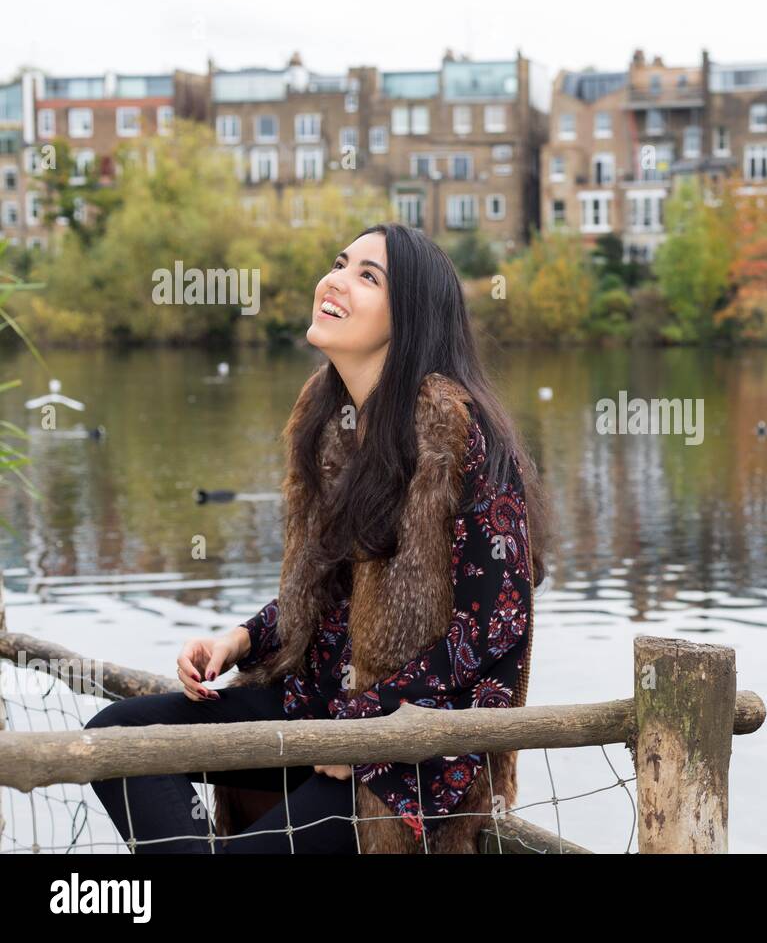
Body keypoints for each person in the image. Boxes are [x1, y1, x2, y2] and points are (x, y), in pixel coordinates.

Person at [86, 222, 549, 854]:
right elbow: (328, 596)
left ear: (410, 314)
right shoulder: (332, 429)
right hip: (311, 711)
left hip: (406, 755)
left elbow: (495, 626)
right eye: (340, 263)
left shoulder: (464, 436)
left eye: (368, 276)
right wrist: (242, 638)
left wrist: (365, 729)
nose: (334, 280)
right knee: (114, 740)